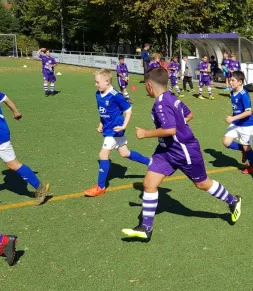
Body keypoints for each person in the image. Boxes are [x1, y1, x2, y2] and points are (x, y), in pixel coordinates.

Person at [122, 67, 242, 241]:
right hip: (166, 151)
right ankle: (145, 228)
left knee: (201, 184)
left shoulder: (161, 103)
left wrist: (145, 133)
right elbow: (189, 114)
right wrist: (181, 124)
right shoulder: (171, 97)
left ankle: (233, 201)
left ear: (149, 85)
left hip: (184, 150)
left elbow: (170, 129)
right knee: (149, 183)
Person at [0, 63, 50, 205]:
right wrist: (16, 111)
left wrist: (15, 111)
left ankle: (40, 188)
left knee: (13, 165)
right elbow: (5, 98)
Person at [83, 69, 151, 197]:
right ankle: (150, 163)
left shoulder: (116, 95)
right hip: (108, 128)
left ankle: (100, 187)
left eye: (98, 82)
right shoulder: (98, 94)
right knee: (125, 153)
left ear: (107, 81)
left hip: (115, 130)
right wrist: (101, 123)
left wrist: (124, 125)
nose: (96, 85)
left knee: (103, 155)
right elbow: (103, 111)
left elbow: (129, 110)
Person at [223, 71, 253, 174]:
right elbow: (236, 108)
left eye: (233, 80)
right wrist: (234, 118)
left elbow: (248, 112)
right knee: (226, 142)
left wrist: (233, 118)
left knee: (247, 147)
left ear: (240, 82)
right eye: (230, 79)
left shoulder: (244, 95)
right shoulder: (232, 92)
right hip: (236, 122)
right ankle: (243, 149)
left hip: (246, 124)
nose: (230, 81)